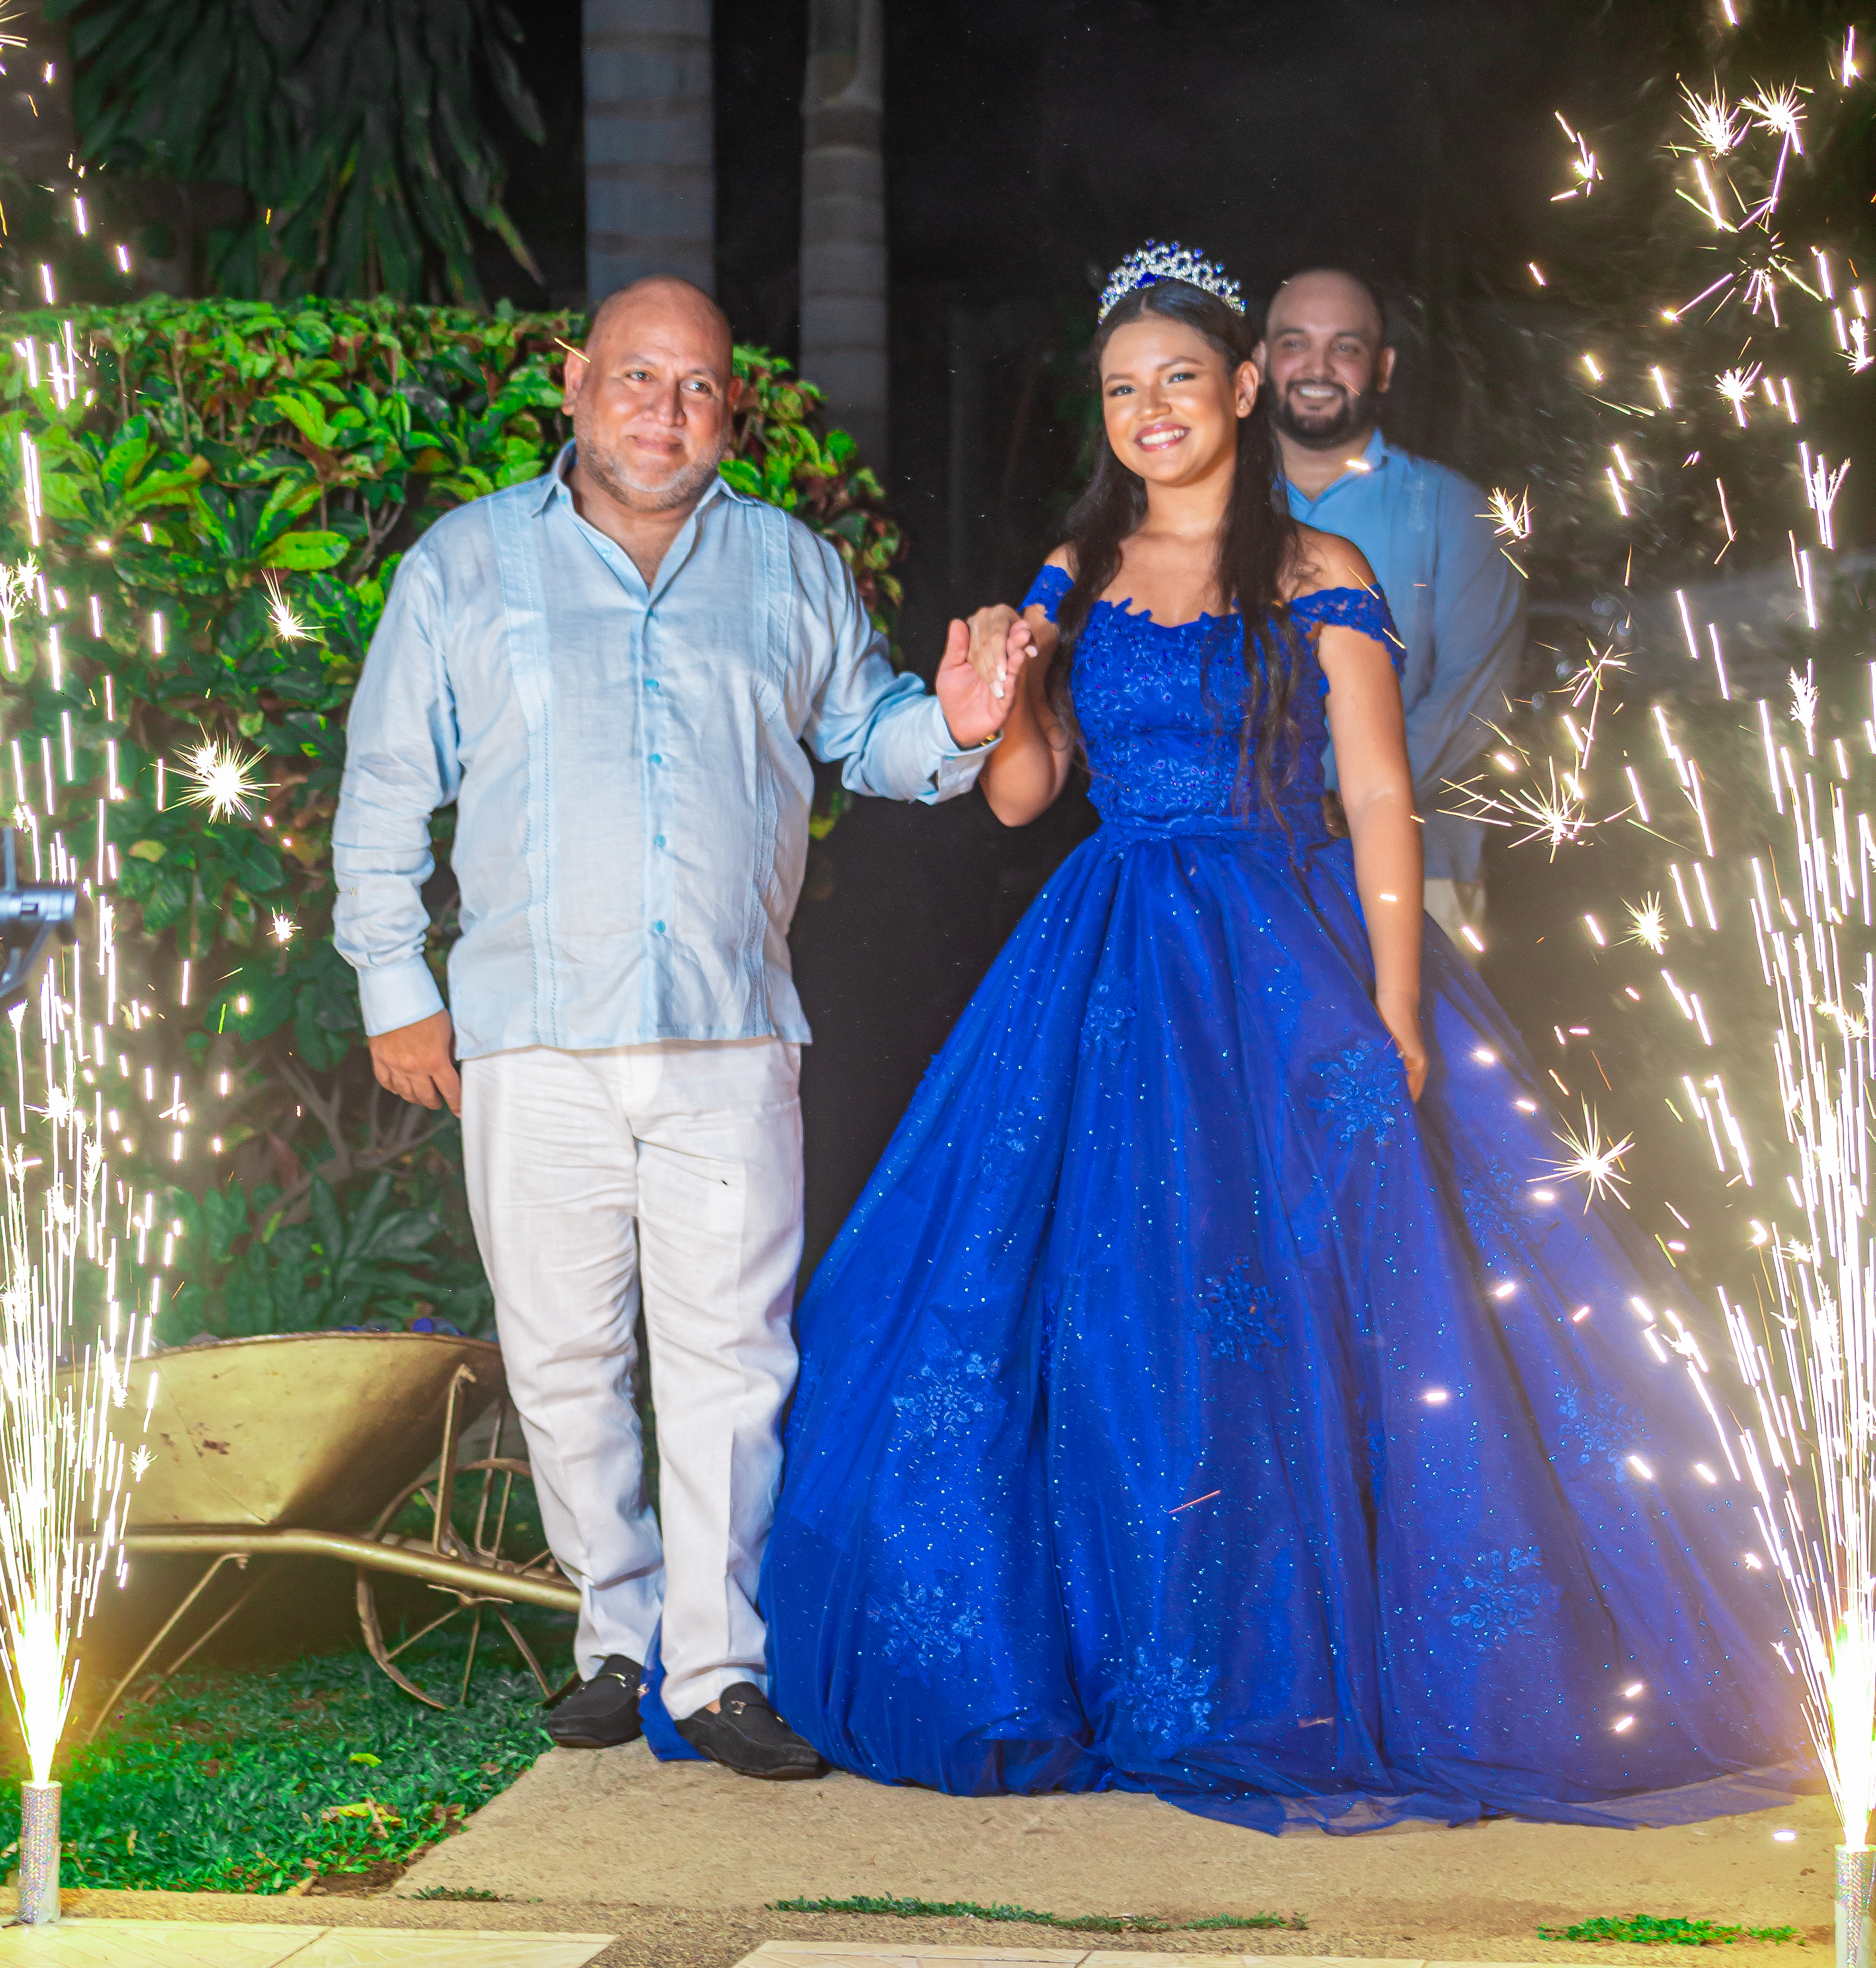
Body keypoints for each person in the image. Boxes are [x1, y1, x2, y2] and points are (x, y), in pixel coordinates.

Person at [761, 243, 1799, 1834]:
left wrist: (1395, 1006)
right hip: (1113, 951)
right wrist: (1003, 695)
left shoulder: (1317, 564)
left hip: (1280, 945)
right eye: (1123, 389)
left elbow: (1378, 793)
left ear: (1244, 388)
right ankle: (1133, 1641)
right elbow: (1028, 798)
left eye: (1180, 378)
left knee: (1329, 1290)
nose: (1152, 411)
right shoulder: (1077, 567)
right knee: (1104, 1286)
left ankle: (1351, 1661)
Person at [333, 277, 1027, 1781]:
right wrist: (398, 988)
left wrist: (964, 723)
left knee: (731, 1362)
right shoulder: (466, 565)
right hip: (529, 1032)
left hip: (727, 1031)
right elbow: (387, 784)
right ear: (576, 384)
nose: (667, 410)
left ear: (730, 413)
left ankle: (719, 1672)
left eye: (699, 386)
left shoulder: (786, 566)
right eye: (638, 377)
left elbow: (872, 738)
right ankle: (616, 1639)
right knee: (562, 1355)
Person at [1255, 268, 1523, 946]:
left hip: (1420, 879)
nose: (1318, 367)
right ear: (1259, 360)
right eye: (1294, 343)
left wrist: (1337, 805)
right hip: (1244, 878)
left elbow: (1474, 700)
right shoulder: (1210, 517)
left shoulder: (1453, 510)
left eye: (1345, 347)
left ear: (1383, 367)